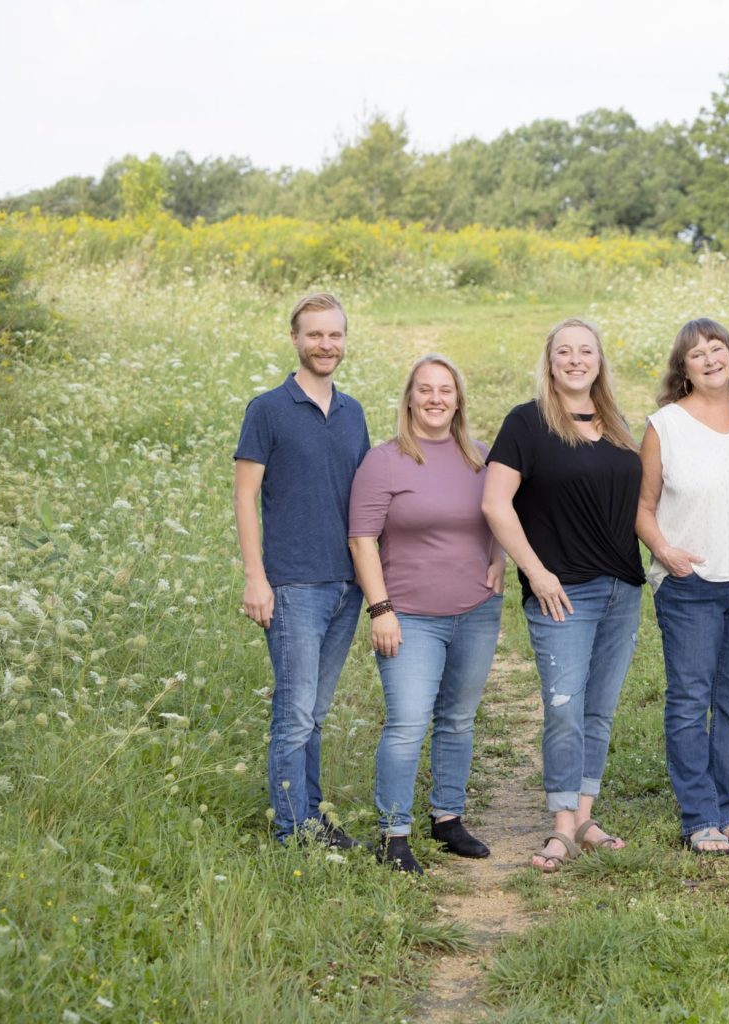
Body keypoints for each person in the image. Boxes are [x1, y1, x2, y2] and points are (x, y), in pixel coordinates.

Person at [481, 318, 644, 872]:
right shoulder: (526, 424)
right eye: (564, 352)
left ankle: (585, 818)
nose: (576, 360)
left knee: (598, 711)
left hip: (622, 587)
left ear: (600, 361)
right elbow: (495, 505)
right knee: (565, 709)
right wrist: (536, 572)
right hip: (562, 593)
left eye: (586, 351)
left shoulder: (618, 425)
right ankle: (559, 828)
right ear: (550, 362)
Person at [348, 354, 505, 875]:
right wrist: (381, 609)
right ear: (410, 398)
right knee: (408, 723)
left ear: (458, 398)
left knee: (458, 720)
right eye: (425, 389)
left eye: (446, 389)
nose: (436, 398)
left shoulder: (481, 457)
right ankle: (394, 835)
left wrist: (499, 563)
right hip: (409, 615)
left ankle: (447, 817)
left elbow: (501, 516)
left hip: (476, 612)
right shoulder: (384, 460)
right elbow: (362, 539)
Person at [232, 292, 369, 848]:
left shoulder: (353, 411)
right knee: (293, 714)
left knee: (315, 712)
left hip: (346, 585)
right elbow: (245, 498)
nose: (326, 344)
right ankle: (292, 832)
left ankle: (312, 819)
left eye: (334, 334)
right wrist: (255, 576)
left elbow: (366, 499)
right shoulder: (266, 409)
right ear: (295, 338)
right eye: (315, 335)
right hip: (291, 586)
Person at [636, 319, 729, 856]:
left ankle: (728, 810)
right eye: (696, 354)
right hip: (690, 584)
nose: (710, 359)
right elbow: (642, 509)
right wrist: (665, 552)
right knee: (690, 700)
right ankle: (698, 816)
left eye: (717, 349)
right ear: (682, 368)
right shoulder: (664, 426)